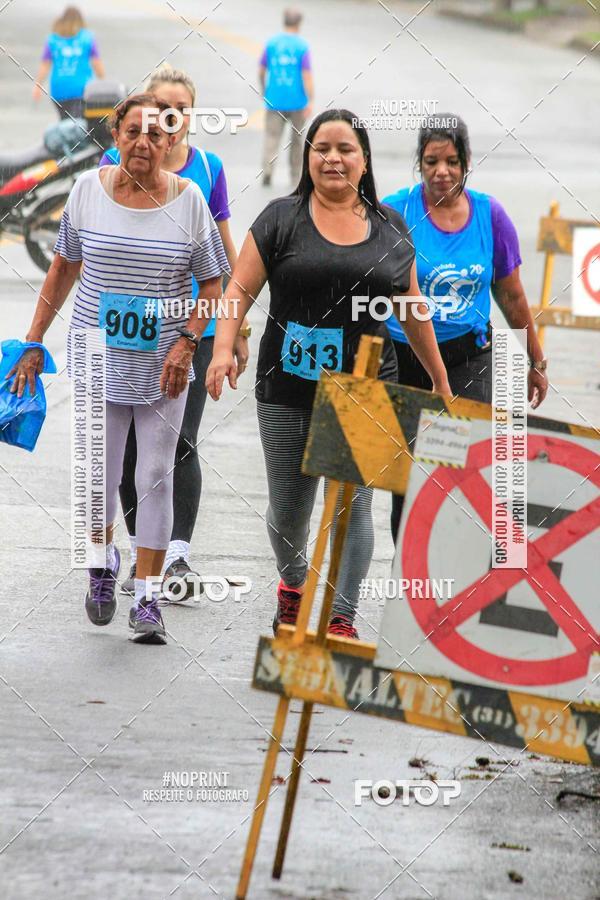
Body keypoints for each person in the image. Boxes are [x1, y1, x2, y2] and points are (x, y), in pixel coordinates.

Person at [206, 109, 451, 639]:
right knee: (290, 510)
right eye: (322, 149)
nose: (333, 158)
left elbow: (411, 304)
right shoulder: (280, 218)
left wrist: (438, 378)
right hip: (288, 389)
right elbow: (238, 292)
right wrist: (223, 348)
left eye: (345, 149)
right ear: (307, 157)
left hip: (367, 389)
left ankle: (342, 616)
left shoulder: (390, 224)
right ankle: (293, 585)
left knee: (352, 504)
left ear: (364, 161)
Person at [11, 94, 229, 644]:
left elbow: (212, 283)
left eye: (156, 134)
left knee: (153, 474)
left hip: (162, 361)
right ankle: (101, 565)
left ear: (171, 141)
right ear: (116, 136)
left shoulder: (190, 201)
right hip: (94, 351)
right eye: (133, 131)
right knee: (98, 476)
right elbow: (62, 268)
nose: (143, 143)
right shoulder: (87, 192)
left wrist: (187, 343)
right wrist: (33, 341)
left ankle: (150, 597)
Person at [99, 64, 250, 599]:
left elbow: (226, 248)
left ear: (190, 115)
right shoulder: (115, 162)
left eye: (179, 109)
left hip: (196, 323)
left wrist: (238, 323)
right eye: (158, 106)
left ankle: (176, 555)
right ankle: (142, 552)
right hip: (132, 325)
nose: (166, 118)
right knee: (127, 450)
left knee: (179, 443)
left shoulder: (208, 167)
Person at [383, 114, 549, 542]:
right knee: (407, 474)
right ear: (419, 163)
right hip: (403, 358)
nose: (442, 172)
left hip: (467, 360)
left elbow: (511, 296)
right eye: (432, 161)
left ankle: (450, 570)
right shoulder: (395, 211)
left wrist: (536, 359)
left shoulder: (490, 216)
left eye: (452, 161)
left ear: (467, 162)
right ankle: (410, 574)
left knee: (454, 469)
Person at [259, 8, 313, 187]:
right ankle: (295, 175)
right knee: (296, 140)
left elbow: (261, 70)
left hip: (274, 99)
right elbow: (306, 75)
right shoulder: (302, 47)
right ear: (299, 24)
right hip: (297, 100)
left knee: (272, 137)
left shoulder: (271, 44)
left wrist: (264, 89)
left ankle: (268, 171)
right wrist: (310, 99)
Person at [33, 6, 105, 120]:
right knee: (77, 125)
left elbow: (45, 65)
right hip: (81, 89)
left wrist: (38, 86)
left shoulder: (52, 39)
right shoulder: (87, 38)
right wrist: (102, 82)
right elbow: (96, 63)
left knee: (65, 123)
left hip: (58, 90)